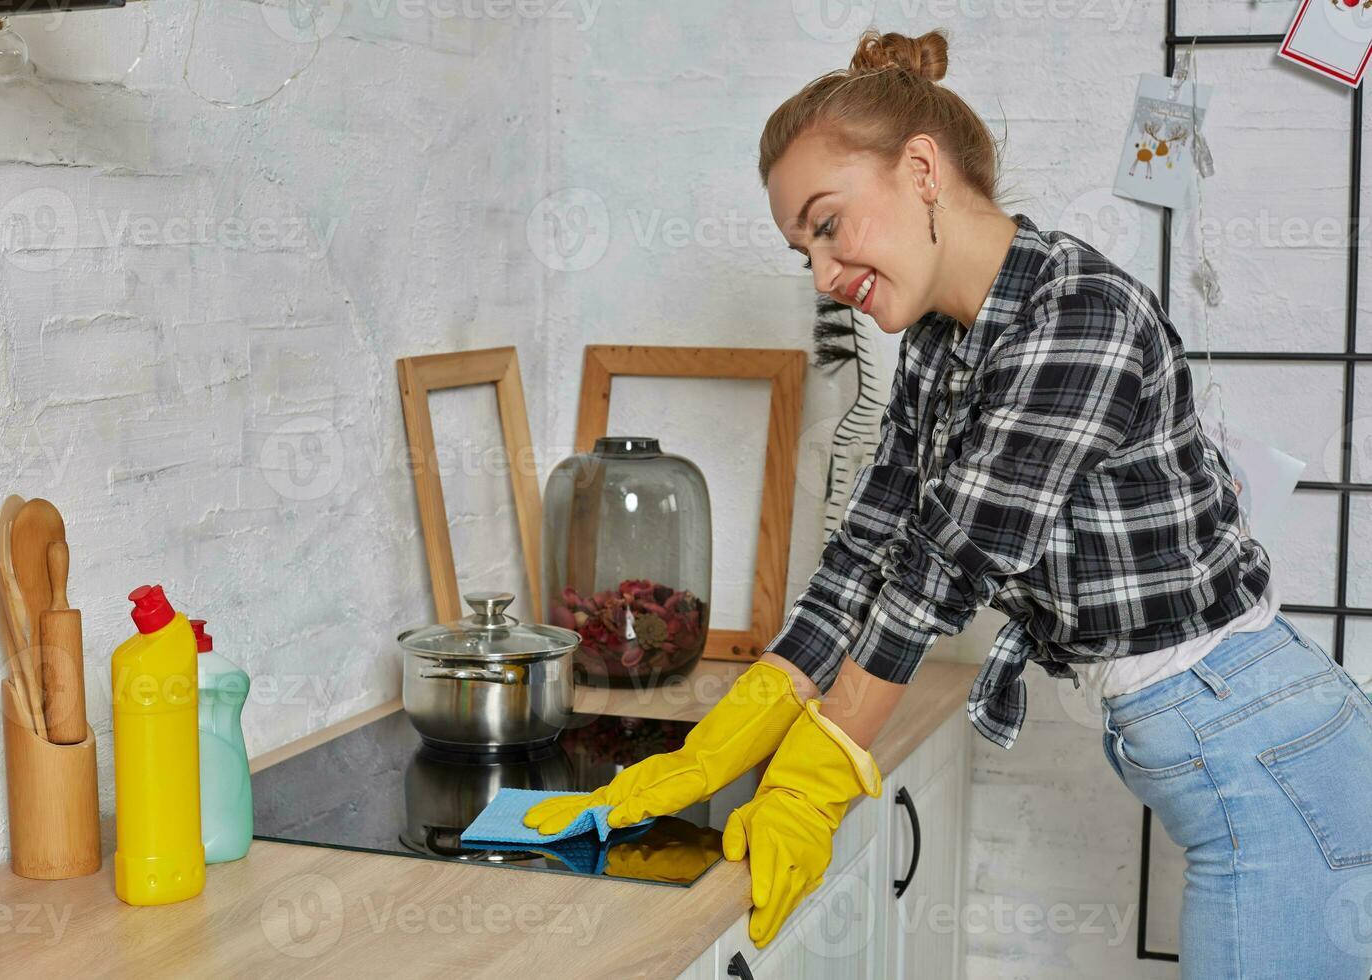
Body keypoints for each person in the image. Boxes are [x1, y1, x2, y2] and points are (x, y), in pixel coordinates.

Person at [523, 28, 1372, 976]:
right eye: (802, 248)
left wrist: (816, 773)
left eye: (828, 222)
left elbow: (947, 564)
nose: (823, 275)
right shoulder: (942, 340)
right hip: (1227, 753)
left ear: (921, 169)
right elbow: (872, 542)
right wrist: (735, 729)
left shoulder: (1079, 315)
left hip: (1273, 761)